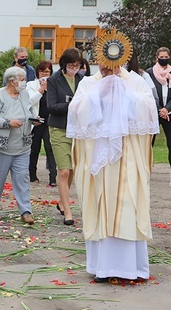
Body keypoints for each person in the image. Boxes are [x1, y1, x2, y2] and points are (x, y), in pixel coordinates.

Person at [67, 31, 159, 283]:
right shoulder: (88, 84)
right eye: (104, 63)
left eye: (114, 64)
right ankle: (101, 268)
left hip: (127, 159)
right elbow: (75, 114)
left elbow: (150, 113)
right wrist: (101, 94)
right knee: (100, 207)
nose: (109, 68)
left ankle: (132, 268)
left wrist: (123, 94)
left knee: (128, 205)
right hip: (99, 162)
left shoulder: (137, 82)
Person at [0, 66, 36, 224]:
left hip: (22, 146)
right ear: (12, 81)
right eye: (22, 80)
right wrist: (8, 123)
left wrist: (34, 119)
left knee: (22, 179)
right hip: (1, 147)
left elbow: (28, 113)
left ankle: (26, 211)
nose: (24, 83)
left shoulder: (25, 94)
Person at [46, 47, 83, 225]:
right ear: (64, 64)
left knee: (73, 169)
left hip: (77, 129)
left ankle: (62, 201)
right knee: (64, 170)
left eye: (77, 65)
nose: (74, 68)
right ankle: (67, 210)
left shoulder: (82, 80)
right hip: (59, 128)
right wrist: (72, 104)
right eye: (71, 65)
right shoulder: (54, 80)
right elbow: (51, 106)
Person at [146, 47, 171, 189]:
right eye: (161, 56)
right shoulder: (149, 73)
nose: (164, 58)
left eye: (166, 56)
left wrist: (167, 109)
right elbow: (148, 92)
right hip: (154, 113)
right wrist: (158, 109)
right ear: (156, 58)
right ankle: (144, 175)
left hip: (170, 113)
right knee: (149, 145)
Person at [26, 60, 57, 186]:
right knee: (34, 148)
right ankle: (32, 175)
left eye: (48, 72)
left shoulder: (54, 85)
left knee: (50, 149)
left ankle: (53, 178)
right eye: (43, 71)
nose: (45, 74)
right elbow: (29, 102)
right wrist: (41, 90)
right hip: (36, 122)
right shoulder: (31, 85)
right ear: (38, 72)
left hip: (50, 121)